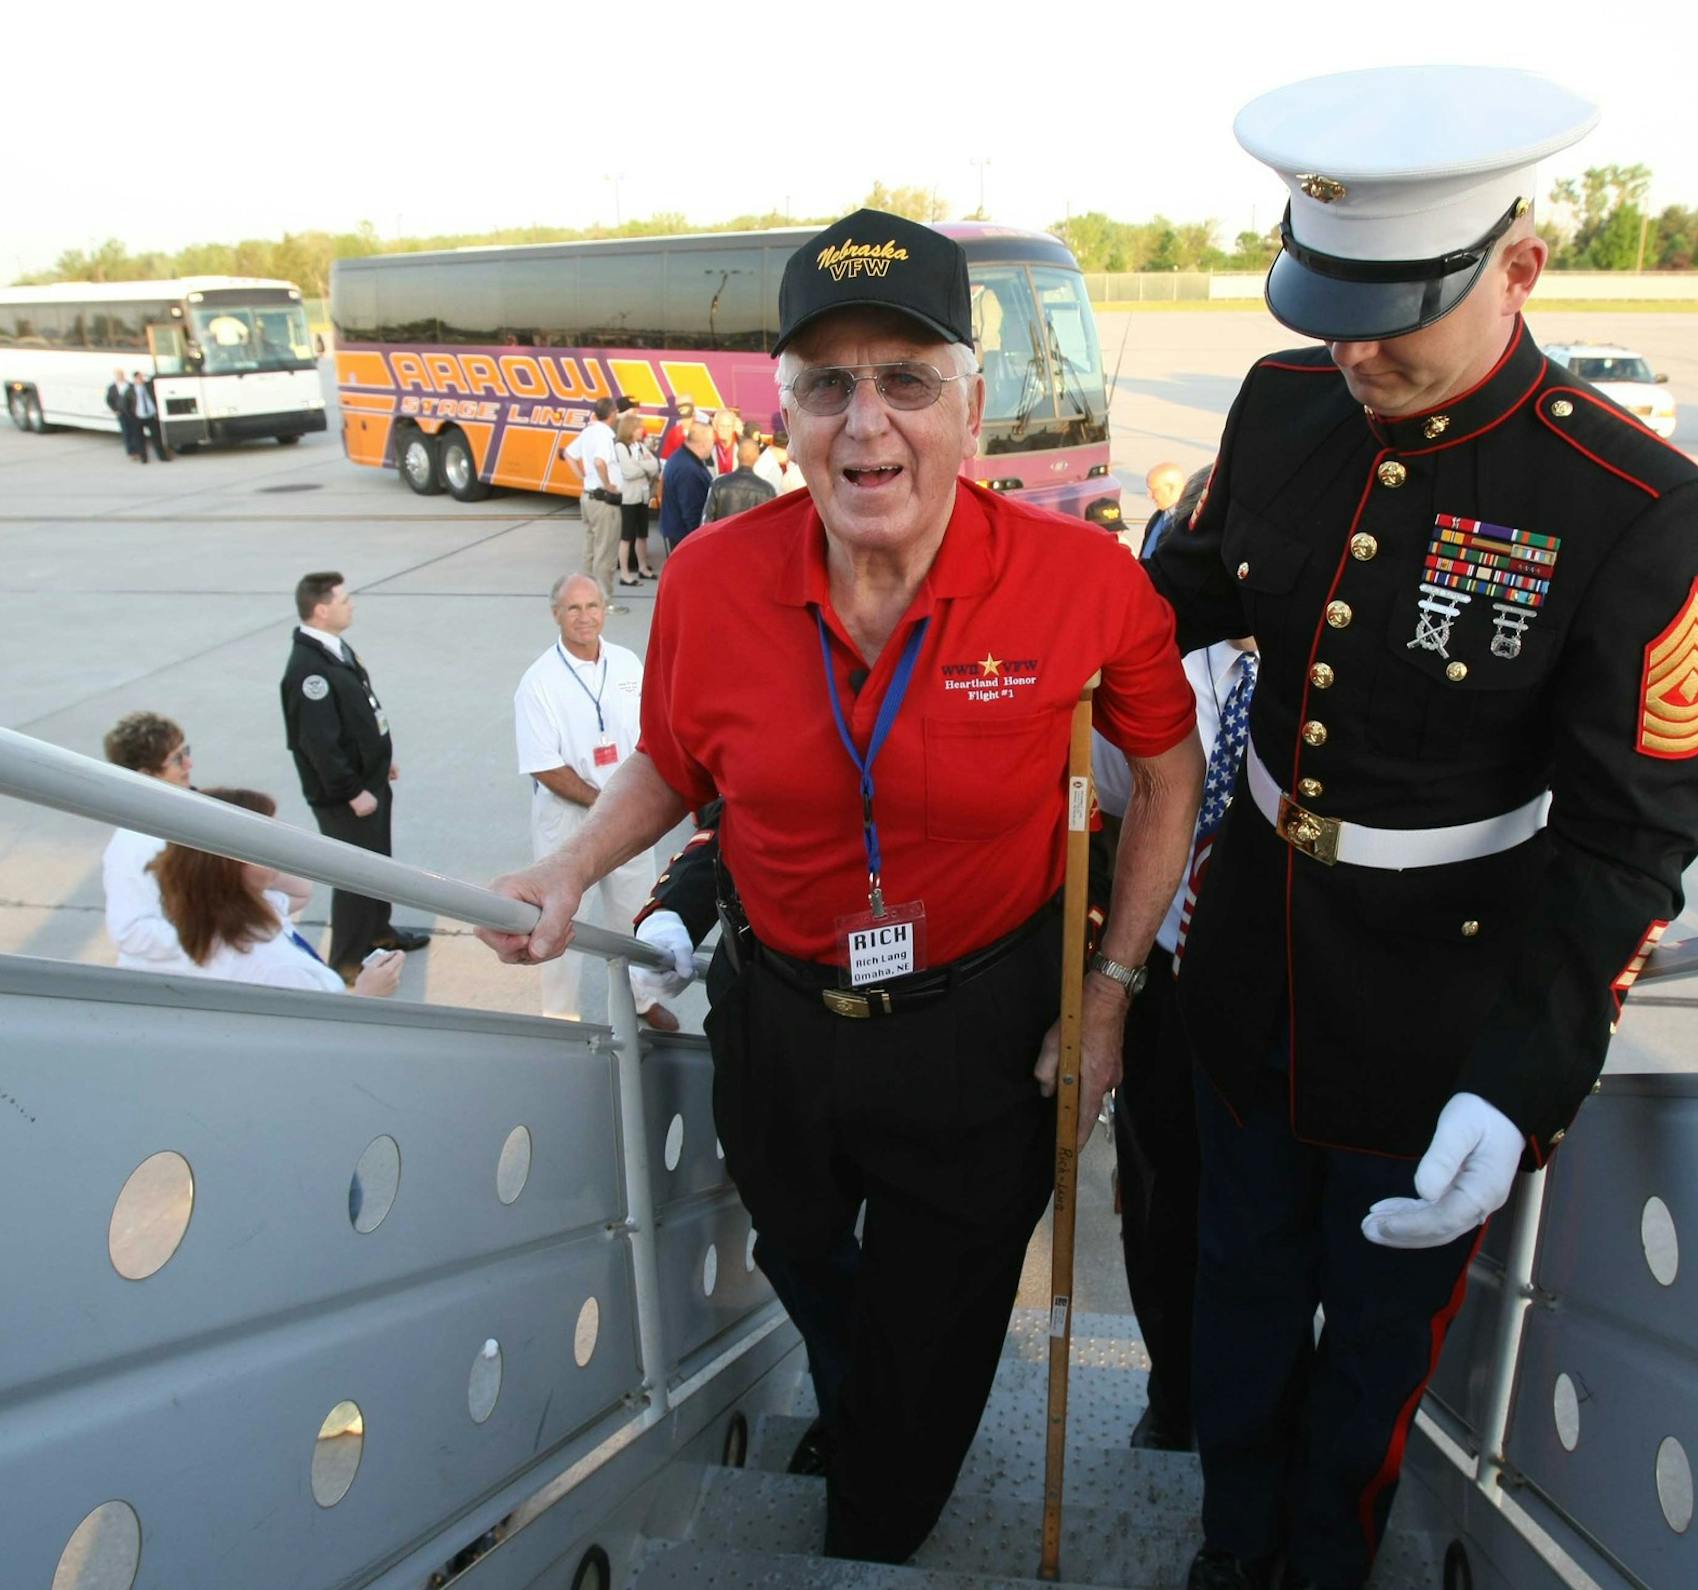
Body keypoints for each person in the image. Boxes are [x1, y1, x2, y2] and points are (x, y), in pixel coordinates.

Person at [477, 208, 1203, 1567]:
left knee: (915, 1392)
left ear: (972, 408)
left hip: (984, 1033)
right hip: (783, 1019)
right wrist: (571, 863)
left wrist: (1108, 996)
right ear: (786, 414)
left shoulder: (1083, 582)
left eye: (907, 381)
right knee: (805, 1251)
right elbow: (675, 763)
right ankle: (865, 1386)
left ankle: (873, 1500)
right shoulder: (706, 579)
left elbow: (1166, 773)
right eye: (828, 386)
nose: (867, 425)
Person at [1146, 68, 1698, 1589]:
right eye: (1325, 301)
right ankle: (1227, 1552)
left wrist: (1523, 1075)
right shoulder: (1284, 406)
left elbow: (1629, 837)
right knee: (1239, 1294)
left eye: (1393, 310)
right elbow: (1193, 600)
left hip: (1439, 1018)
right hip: (1254, 966)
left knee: (1374, 1355)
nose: (1350, 348)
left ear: (1519, 267)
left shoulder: (1631, 500)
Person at [1089, 623, 1257, 1455]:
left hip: (1286, 990)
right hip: (1168, 982)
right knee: (1160, 1203)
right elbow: (1115, 806)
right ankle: (1176, 1396)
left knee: (1269, 1213)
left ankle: (1259, 1411)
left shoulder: (1334, 665)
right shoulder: (1167, 670)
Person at [513, 573, 672, 1025]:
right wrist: (607, 805)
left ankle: (643, 1000)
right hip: (568, 823)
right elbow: (544, 765)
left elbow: (652, 731)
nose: (585, 617)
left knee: (636, 913)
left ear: (605, 610)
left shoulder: (626, 664)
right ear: (556, 615)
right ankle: (559, 1014)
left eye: (592, 606)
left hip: (629, 815)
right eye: (573, 608)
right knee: (560, 921)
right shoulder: (539, 682)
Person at [280, 571, 432, 981]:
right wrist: (352, 790)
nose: (353, 604)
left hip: (369, 781)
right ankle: (347, 959)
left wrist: (379, 763)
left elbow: (357, 714)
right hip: (346, 796)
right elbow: (318, 743)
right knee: (352, 876)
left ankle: (378, 933)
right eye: (345, 599)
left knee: (378, 862)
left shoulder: (334, 648)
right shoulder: (308, 669)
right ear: (321, 609)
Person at [155, 786, 404, 997]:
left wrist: (263, 864)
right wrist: (367, 994)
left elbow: (302, 891)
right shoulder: (277, 969)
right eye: (268, 838)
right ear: (232, 865)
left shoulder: (230, 912)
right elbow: (320, 1040)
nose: (280, 844)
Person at [100, 711, 198, 971]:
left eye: (185, 751)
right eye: (177, 759)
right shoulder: (136, 844)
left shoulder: (186, 815)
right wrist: (215, 936)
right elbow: (131, 931)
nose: (189, 764)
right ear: (146, 774)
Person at [563, 398, 626, 611]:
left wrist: (582, 477)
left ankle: (586, 597)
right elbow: (600, 461)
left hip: (588, 497)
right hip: (603, 502)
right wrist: (608, 484)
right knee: (605, 553)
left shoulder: (588, 432)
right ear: (612, 414)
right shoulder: (604, 436)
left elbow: (569, 454)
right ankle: (604, 600)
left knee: (590, 551)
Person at [658, 415, 715, 556]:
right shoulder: (688, 470)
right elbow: (692, 513)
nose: (713, 446)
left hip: (678, 533)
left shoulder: (682, 457)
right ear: (703, 444)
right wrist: (701, 542)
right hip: (684, 538)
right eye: (712, 442)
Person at [614, 412, 661, 584]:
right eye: (639, 427)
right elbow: (628, 472)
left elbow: (655, 465)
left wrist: (639, 465)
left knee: (643, 535)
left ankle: (643, 568)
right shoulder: (621, 447)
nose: (642, 430)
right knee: (626, 537)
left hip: (643, 496)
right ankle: (625, 574)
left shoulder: (640, 446)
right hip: (628, 498)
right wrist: (644, 467)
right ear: (630, 429)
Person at [701, 435, 777, 525]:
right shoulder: (767, 489)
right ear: (757, 458)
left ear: (737, 455)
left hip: (723, 537)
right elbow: (770, 524)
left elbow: (706, 521)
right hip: (752, 538)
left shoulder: (719, 484)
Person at [1137, 461, 1187, 559]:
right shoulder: (1157, 517)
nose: (1149, 496)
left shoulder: (1185, 522)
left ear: (1171, 488)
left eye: (1154, 490)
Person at [127, 372, 168, 463]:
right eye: (138, 378)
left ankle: (162, 456)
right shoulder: (130, 390)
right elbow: (126, 404)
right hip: (138, 417)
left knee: (156, 437)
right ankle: (143, 457)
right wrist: (131, 415)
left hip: (151, 415)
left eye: (141, 377)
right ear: (134, 379)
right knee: (140, 438)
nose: (141, 379)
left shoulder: (149, 387)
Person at [105, 369, 142, 460]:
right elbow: (109, 400)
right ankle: (131, 452)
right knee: (126, 433)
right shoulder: (112, 387)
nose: (120, 376)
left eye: (121, 374)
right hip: (121, 413)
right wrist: (115, 410)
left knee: (135, 432)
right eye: (118, 374)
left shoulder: (130, 385)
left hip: (132, 412)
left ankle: (138, 450)